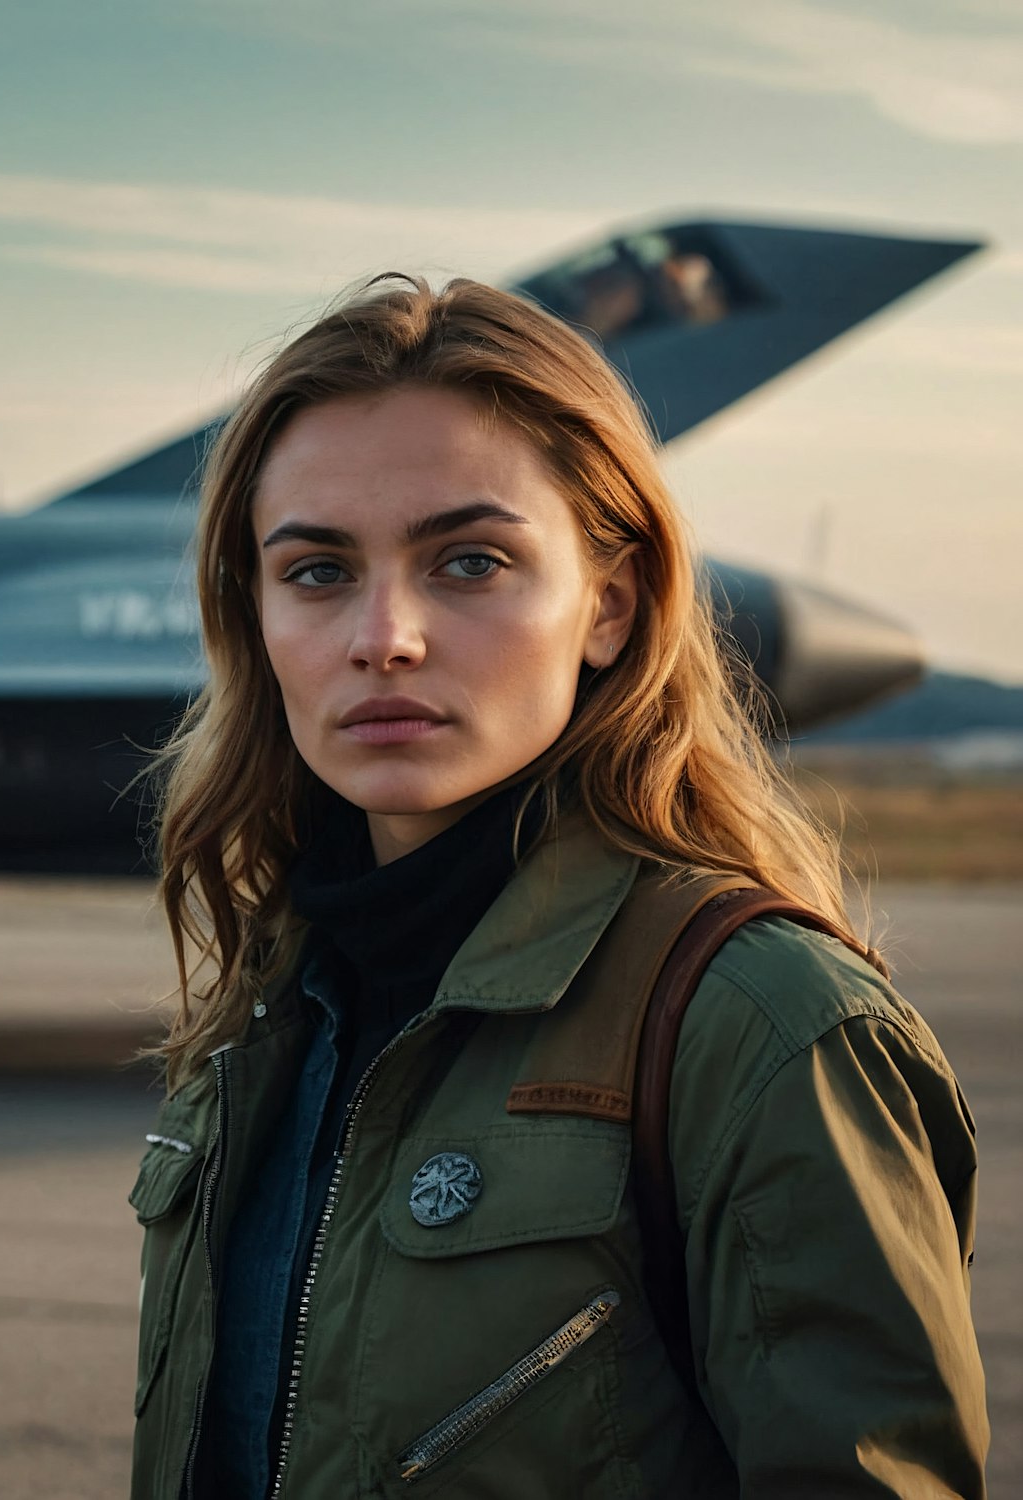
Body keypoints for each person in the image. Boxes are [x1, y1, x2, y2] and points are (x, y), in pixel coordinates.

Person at [129, 275, 988, 1498]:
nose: (386, 635)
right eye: (317, 572)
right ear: (254, 618)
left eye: (468, 562)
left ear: (609, 604)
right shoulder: (266, 1008)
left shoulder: (764, 1025)